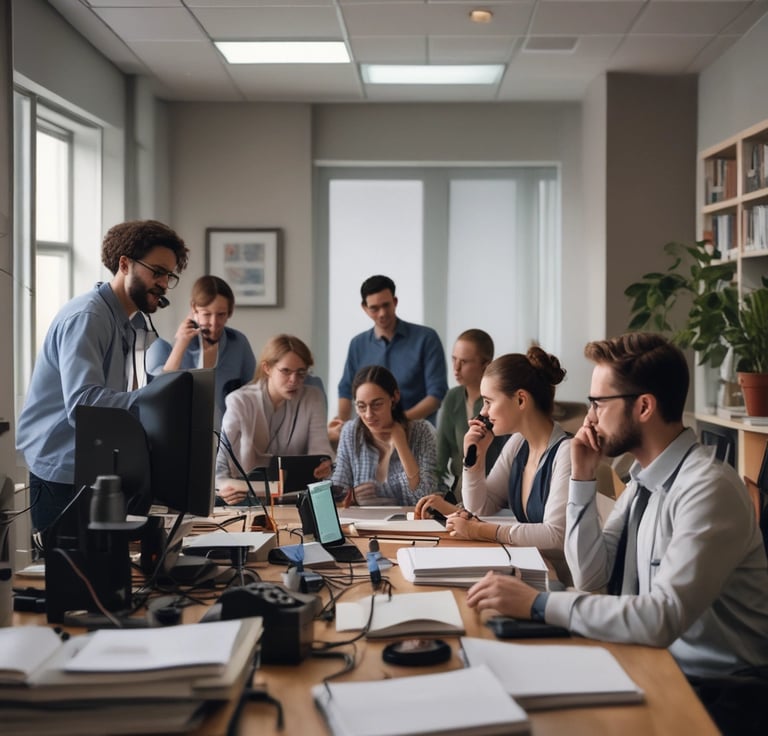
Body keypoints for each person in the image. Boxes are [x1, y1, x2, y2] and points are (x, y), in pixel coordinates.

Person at [465, 333, 768, 732]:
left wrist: (538, 605)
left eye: (598, 403)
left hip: (719, 693)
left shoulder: (706, 488)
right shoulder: (642, 480)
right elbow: (592, 578)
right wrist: (583, 478)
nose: (589, 418)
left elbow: (662, 616)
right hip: (653, 663)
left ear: (643, 407)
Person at [16, 220, 190, 532]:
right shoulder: (90, 317)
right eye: (157, 271)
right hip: (63, 473)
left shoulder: (127, 322)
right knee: (74, 577)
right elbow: (84, 406)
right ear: (125, 264)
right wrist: (158, 400)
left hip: (91, 468)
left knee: (105, 575)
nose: (164, 284)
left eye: (169, 276)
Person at [415, 346, 572, 584]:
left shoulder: (566, 453)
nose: (483, 413)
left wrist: (480, 530)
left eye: (488, 402)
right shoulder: (519, 443)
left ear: (521, 400)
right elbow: (480, 507)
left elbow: (555, 536)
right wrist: (474, 458)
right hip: (529, 566)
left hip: (558, 579)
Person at [328, 275, 448, 443]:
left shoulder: (426, 338)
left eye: (386, 305)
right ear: (364, 308)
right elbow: (346, 390)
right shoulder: (358, 344)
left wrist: (397, 423)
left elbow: (436, 395)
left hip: (416, 436)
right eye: (374, 308)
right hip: (370, 439)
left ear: (395, 301)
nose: (382, 313)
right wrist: (343, 426)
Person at [215, 334, 332, 505]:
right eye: (286, 371)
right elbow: (220, 468)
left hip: (296, 498)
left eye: (301, 373)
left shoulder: (313, 397)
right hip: (247, 498)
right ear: (267, 368)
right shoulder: (240, 401)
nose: (294, 380)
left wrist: (325, 464)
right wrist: (224, 488)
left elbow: (320, 451)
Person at [146, 275, 256, 425]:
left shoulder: (238, 342)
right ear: (194, 309)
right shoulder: (162, 344)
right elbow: (159, 394)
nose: (214, 323)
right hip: (179, 430)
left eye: (221, 314)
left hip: (226, 436)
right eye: (206, 314)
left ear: (230, 312)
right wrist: (181, 344)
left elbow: (252, 392)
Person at [331, 365, 438, 506]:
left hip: (411, 523)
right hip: (363, 523)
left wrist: (401, 444)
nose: (368, 415)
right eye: (361, 406)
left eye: (376, 405)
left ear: (394, 398)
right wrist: (351, 496)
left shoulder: (421, 431)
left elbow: (425, 494)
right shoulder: (351, 431)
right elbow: (339, 492)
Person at [434, 329, 508, 503]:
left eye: (464, 362)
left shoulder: (500, 402)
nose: (456, 368)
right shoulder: (452, 397)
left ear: (486, 364)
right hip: (460, 489)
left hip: (495, 492)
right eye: (454, 359)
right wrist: (434, 493)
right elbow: (439, 460)